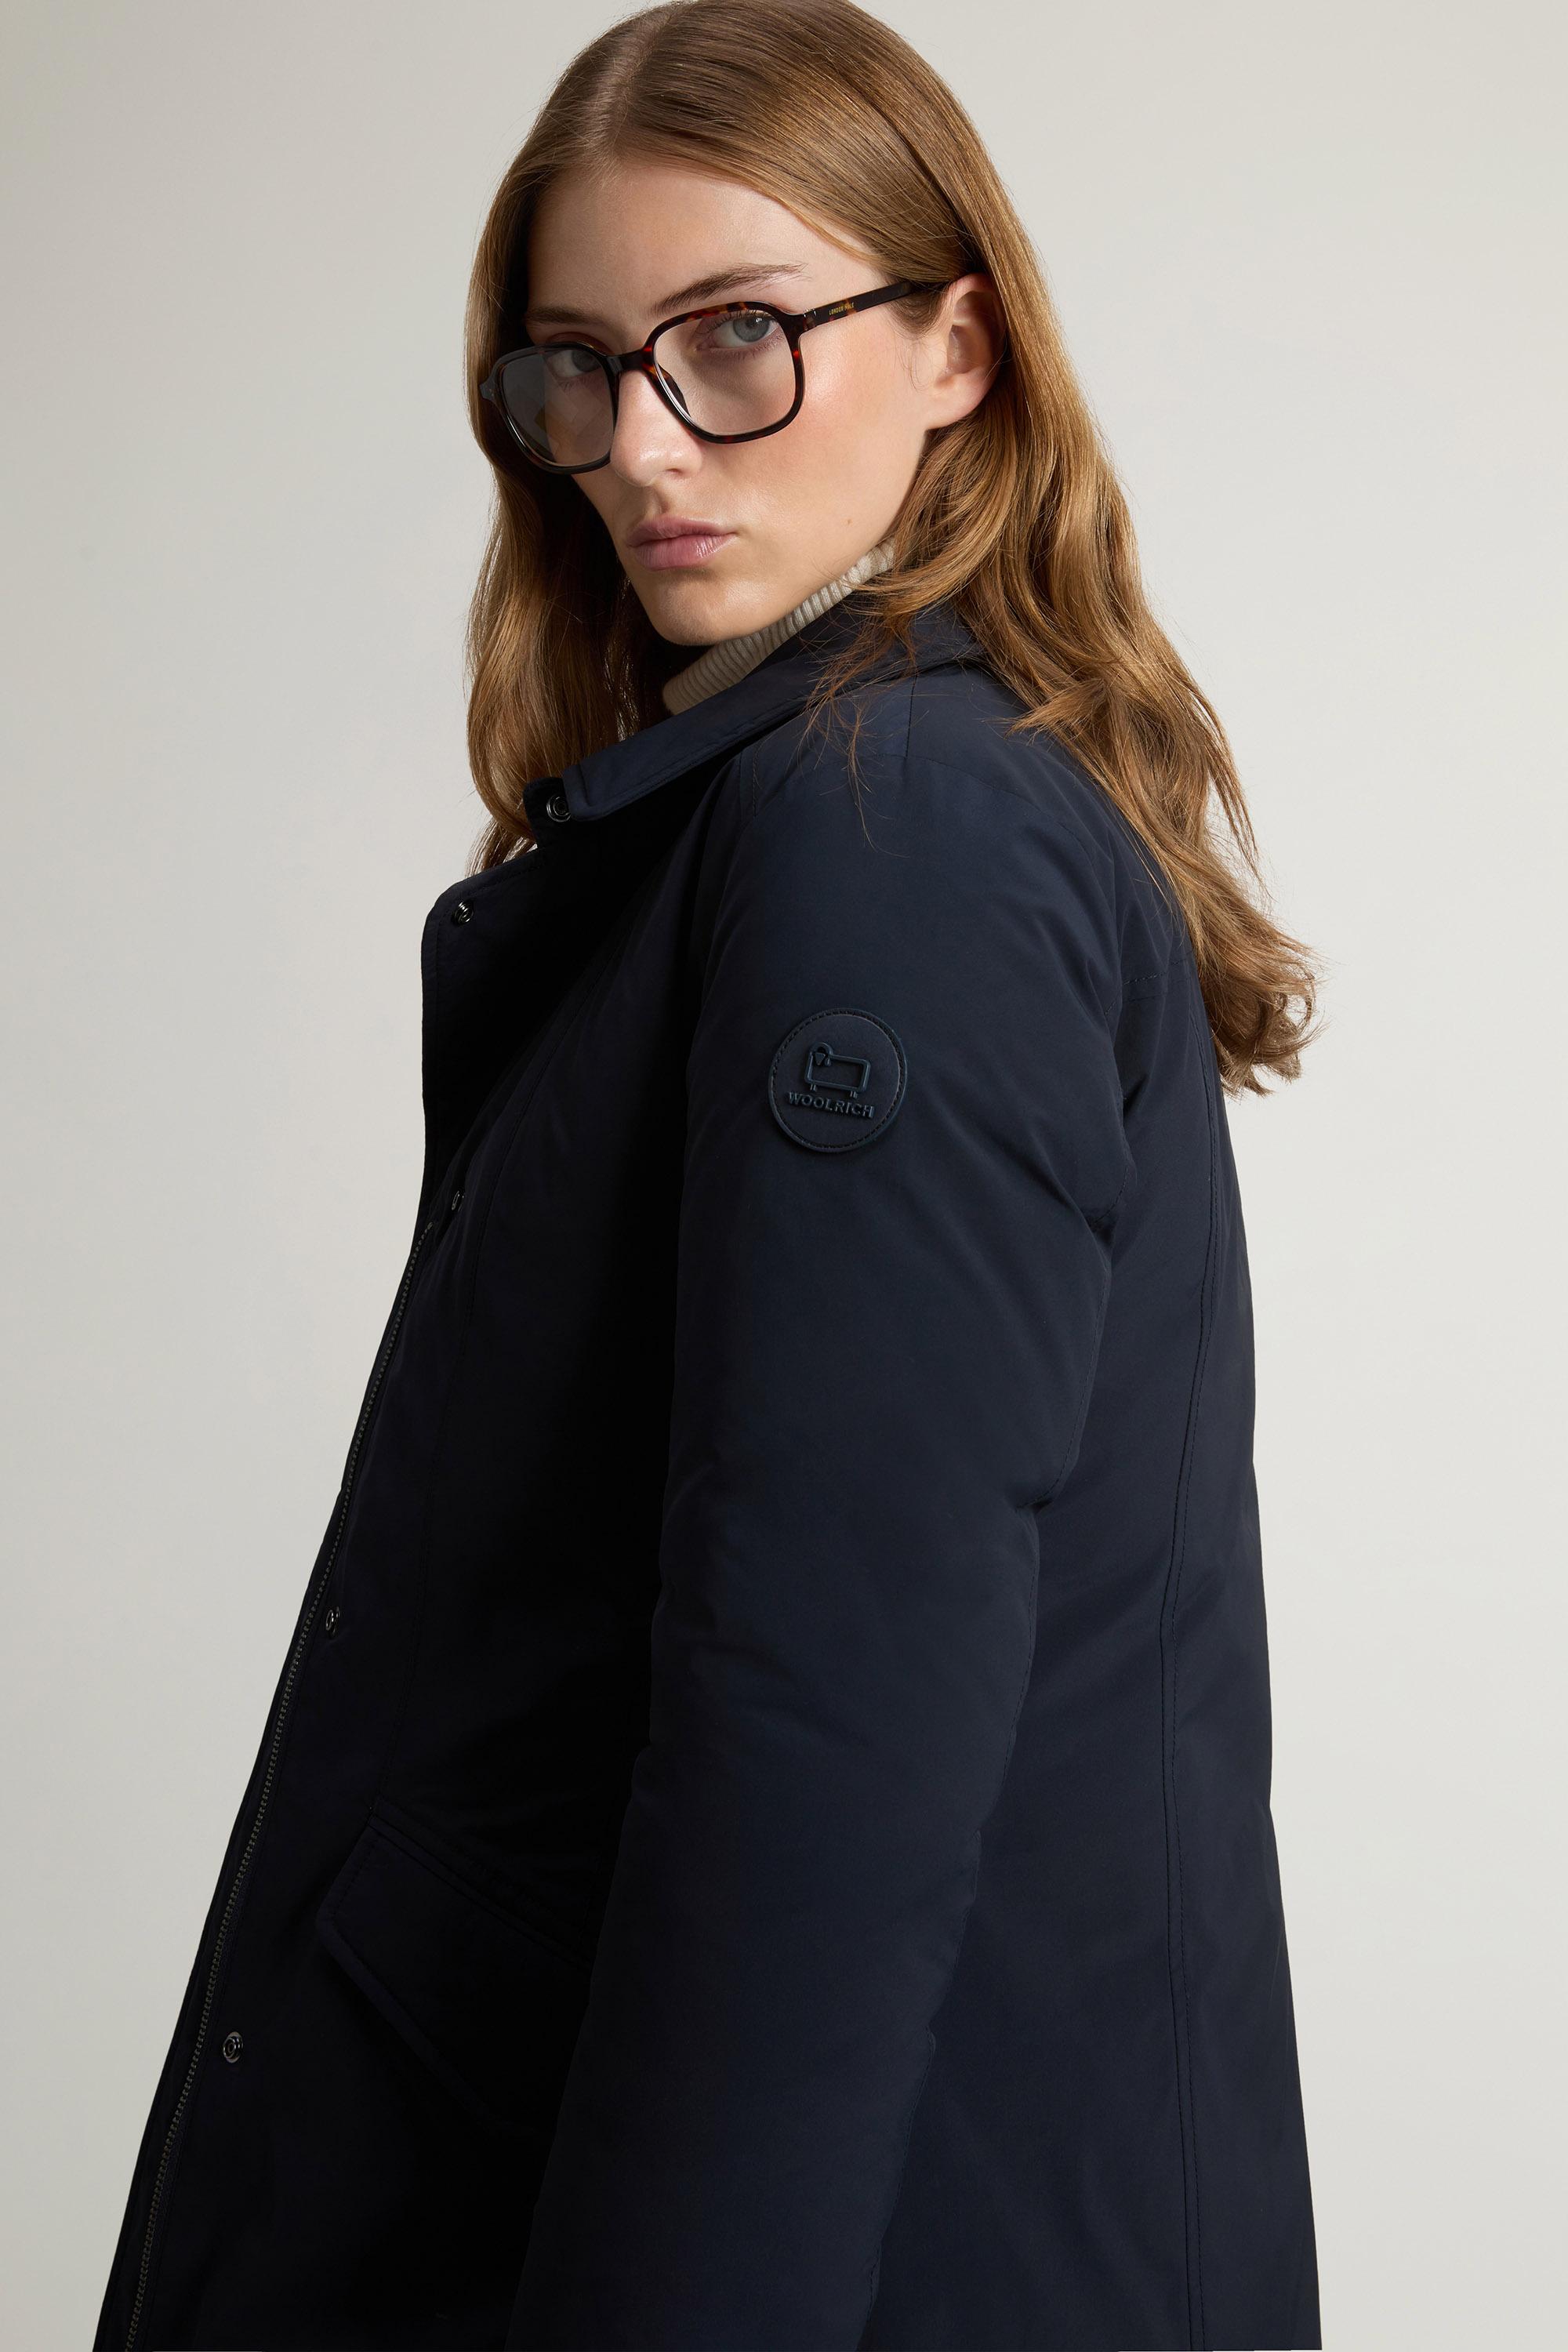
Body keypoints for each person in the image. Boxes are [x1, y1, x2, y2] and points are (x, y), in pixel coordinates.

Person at [93, 3, 1323, 2347]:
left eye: (736, 337)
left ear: (956, 345)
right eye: (576, 368)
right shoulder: (823, 807)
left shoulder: (897, 839)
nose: (641, 443)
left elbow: (821, 1753)